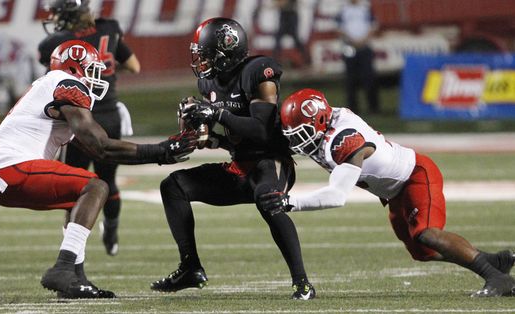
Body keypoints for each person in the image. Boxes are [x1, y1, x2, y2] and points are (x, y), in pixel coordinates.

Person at [0, 40, 197, 299]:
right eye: (92, 69)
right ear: (74, 66)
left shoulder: (51, 87)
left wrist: (162, 154)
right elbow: (103, 146)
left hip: (5, 171)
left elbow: (100, 151)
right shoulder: (67, 84)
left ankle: (74, 279)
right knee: (96, 186)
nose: (97, 76)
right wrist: (163, 150)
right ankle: (63, 268)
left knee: (79, 196)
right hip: (11, 168)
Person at [259, 88, 515, 297]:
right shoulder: (324, 124)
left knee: (427, 235)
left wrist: (289, 202)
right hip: (394, 192)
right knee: (421, 252)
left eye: (301, 134)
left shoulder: (344, 139)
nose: (297, 142)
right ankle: (494, 261)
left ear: (321, 121)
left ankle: (497, 278)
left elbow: (337, 195)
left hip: (415, 176)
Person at [149, 17, 315, 300]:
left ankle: (302, 283)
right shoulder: (208, 82)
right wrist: (213, 138)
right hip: (239, 166)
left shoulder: (257, 72)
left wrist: (216, 114)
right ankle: (190, 266)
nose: (201, 60)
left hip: (271, 162)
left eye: (206, 54)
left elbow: (261, 131)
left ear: (227, 50)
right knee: (173, 186)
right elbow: (235, 137)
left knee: (268, 199)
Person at [38, 0, 141, 256]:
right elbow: (134, 66)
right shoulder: (109, 29)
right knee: (108, 180)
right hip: (109, 114)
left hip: (77, 120)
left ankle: (74, 253)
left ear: (69, 14)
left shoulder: (54, 43)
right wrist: (105, 74)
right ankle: (112, 231)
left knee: (75, 185)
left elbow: (51, 82)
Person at [335, 0, 379, 114]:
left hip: (365, 46)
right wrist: (351, 40)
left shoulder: (366, 8)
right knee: (351, 79)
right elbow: (338, 28)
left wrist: (363, 40)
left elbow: (373, 25)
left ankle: (373, 108)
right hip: (349, 47)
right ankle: (352, 108)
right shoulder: (343, 9)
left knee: (369, 77)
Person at [272, 0, 310, 67]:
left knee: (296, 39)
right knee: (278, 39)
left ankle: (307, 60)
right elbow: (277, 4)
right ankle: (275, 61)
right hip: (284, 15)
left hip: (291, 15)